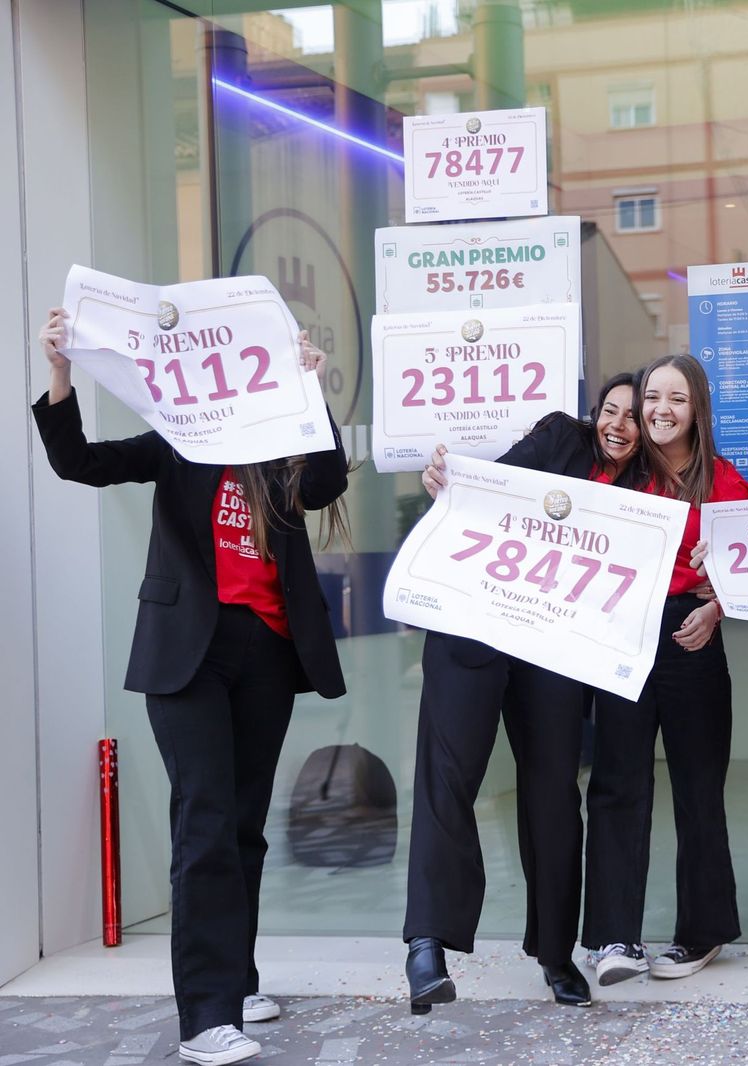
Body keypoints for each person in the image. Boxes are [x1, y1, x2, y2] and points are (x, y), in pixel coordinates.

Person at [33, 308, 349, 1066]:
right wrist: (60, 373)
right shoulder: (179, 438)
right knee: (204, 821)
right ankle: (205, 1019)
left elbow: (328, 481)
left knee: (243, 827)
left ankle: (237, 983)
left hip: (267, 649)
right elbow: (79, 461)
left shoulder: (282, 440)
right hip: (187, 653)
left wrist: (309, 389)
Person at [402, 372, 645, 1014]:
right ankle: (426, 945)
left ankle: (556, 954)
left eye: (633, 416)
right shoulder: (561, 437)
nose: (618, 424)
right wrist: (450, 481)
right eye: (610, 411)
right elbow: (495, 484)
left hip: (552, 648)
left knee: (554, 794)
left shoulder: (646, 491)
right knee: (447, 776)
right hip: (475, 622)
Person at [582, 354, 747, 985]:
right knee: (617, 783)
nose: (660, 410)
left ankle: (702, 933)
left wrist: (718, 606)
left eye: (677, 399)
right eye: (653, 397)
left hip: (690, 637)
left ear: (697, 408)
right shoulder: (617, 473)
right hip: (621, 635)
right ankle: (612, 937)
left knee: (699, 788)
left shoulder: (725, 482)